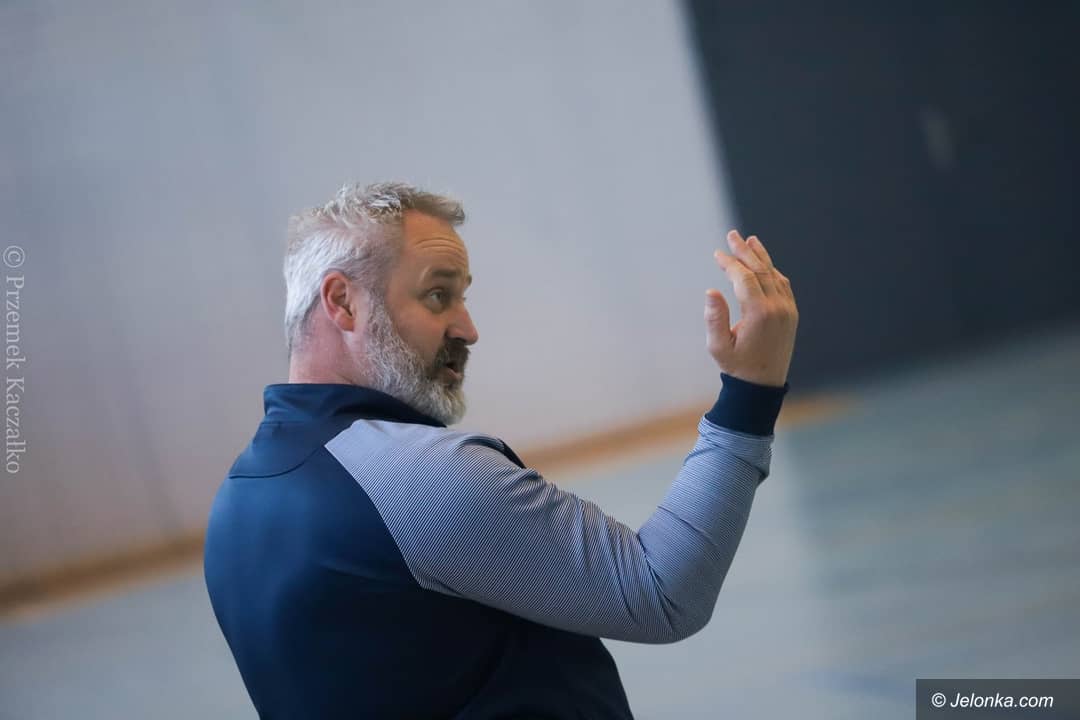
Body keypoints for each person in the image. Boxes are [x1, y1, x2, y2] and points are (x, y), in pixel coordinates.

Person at [204, 181, 799, 719]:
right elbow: (662, 593)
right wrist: (750, 394)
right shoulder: (413, 475)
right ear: (343, 302)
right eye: (438, 295)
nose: (468, 329)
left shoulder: (239, 501)